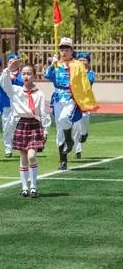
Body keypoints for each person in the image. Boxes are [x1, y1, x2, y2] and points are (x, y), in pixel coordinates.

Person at [44, 38, 98, 170]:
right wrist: (52, 64)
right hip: (57, 98)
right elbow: (46, 75)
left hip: (72, 98)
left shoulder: (78, 64)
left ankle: (70, 140)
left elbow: (84, 83)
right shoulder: (56, 64)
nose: (64, 52)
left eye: (67, 49)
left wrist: (84, 99)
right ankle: (63, 160)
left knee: (64, 119)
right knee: (59, 129)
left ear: (72, 51)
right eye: (62, 49)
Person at [0, 60, 51, 198]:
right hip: (21, 123)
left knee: (32, 156)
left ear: (34, 75)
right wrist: (9, 69)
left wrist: (46, 129)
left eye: (29, 73)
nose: (26, 76)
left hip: (34, 125)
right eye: (23, 74)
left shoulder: (39, 93)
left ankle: (34, 185)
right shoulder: (16, 90)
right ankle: (24, 187)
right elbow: (3, 83)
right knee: (23, 157)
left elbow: (43, 112)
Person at [0, 53, 24, 158]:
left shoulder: (21, 74)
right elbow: (0, 82)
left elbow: (22, 83)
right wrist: (8, 72)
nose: (12, 64)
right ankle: (8, 149)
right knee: (7, 127)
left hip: (18, 104)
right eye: (10, 62)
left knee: (18, 126)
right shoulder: (4, 73)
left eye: (15, 62)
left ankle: (20, 146)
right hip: (6, 104)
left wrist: (13, 77)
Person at [75, 52, 95, 159]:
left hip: (86, 101)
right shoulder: (73, 72)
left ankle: (85, 133)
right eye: (80, 60)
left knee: (84, 121)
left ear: (88, 62)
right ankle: (78, 150)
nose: (82, 62)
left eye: (84, 60)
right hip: (75, 101)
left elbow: (88, 82)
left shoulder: (91, 73)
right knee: (76, 125)